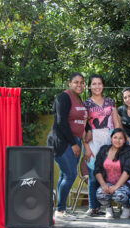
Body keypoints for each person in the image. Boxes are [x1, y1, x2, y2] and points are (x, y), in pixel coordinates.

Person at [47, 72, 87, 220]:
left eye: (82, 82)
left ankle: (60, 209)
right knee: (70, 175)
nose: (79, 85)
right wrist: (72, 144)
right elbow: (61, 122)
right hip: (62, 142)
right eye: (76, 82)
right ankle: (60, 210)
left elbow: (80, 121)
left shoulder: (79, 98)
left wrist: (81, 140)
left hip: (75, 141)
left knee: (65, 175)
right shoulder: (63, 98)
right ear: (69, 83)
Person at [83, 74, 121, 217]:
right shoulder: (86, 104)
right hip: (93, 140)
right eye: (94, 84)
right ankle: (93, 207)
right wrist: (86, 146)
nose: (97, 86)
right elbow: (82, 127)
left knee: (108, 175)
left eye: (99, 83)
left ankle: (108, 208)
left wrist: (118, 138)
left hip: (109, 139)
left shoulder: (110, 101)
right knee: (93, 175)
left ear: (103, 85)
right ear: (89, 86)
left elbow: (116, 121)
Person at [94, 128, 130, 219]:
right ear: (111, 138)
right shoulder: (103, 149)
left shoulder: (128, 151)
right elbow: (97, 169)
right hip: (107, 182)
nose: (117, 140)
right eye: (115, 137)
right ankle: (108, 209)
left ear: (124, 140)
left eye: (121, 138)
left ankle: (127, 207)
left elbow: (128, 171)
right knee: (100, 193)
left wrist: (116, 187)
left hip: (123, 184)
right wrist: (103, 185)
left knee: (119, 196)